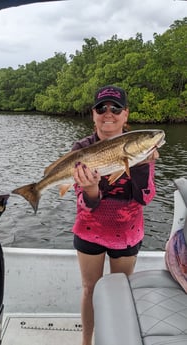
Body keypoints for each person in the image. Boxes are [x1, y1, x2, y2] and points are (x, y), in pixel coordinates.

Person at [72, 85, 158, 345]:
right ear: (93, 114)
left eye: (115, 108)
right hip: (89, 229)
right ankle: (86, 341)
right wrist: (90, 189)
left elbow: (145, 197)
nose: (108, 113)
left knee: (120, 291)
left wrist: (142, 166)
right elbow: (83, 202)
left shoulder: (140, 147)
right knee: (90, 289)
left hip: (127, 233)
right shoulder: (81, 148)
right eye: (101, 108)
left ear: (125, 114)